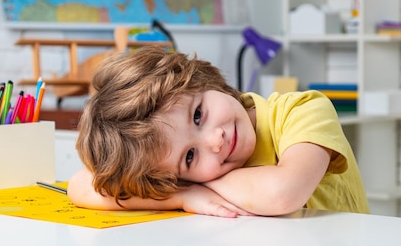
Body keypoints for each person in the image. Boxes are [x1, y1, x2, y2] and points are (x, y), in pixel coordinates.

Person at [67, 46, 369, 217]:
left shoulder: (302, 110)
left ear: (203, 81)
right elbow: (79, 186)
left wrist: (191, 185)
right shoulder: (192, 182)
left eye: (198, 115)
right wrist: (183, 196)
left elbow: (282, 194)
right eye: (189, 157)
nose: (215, 141)